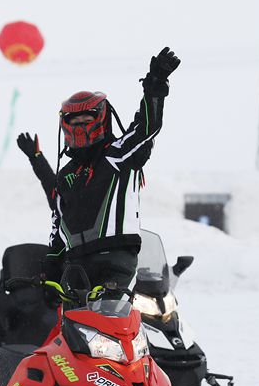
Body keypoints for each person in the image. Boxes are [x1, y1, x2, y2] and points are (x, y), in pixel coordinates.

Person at [16, 47, 180, 294]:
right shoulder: (67, 173)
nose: (80, 127)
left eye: (86, 121)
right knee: (68, 328)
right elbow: (58, 218)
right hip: (75, 266)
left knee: (110, 328)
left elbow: (146, 128)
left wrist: (155, 86)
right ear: (65, 125)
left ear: (101, 119)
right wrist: (51, 264)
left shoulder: (117, 154)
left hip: (116, 263)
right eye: (75, 122)